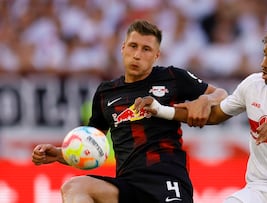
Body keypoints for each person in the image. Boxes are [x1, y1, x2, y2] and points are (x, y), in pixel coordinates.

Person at [136, 17, 267, 203]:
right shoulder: (253, 85)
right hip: (259, 187)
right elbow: (213, 116)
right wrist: (160, 109)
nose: (263, 64)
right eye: (264, 55)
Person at [31, 19, 227, 203]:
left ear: (156, 55)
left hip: (167, 179)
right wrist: (58, 154)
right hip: (128, 185)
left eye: (146, 49)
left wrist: (206, 99)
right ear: (123, 47)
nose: (137, 55)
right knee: (74, 187)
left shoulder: (172, 77)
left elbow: (221, 93)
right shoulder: (105, 92)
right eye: (133, 46)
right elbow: (91, 145)